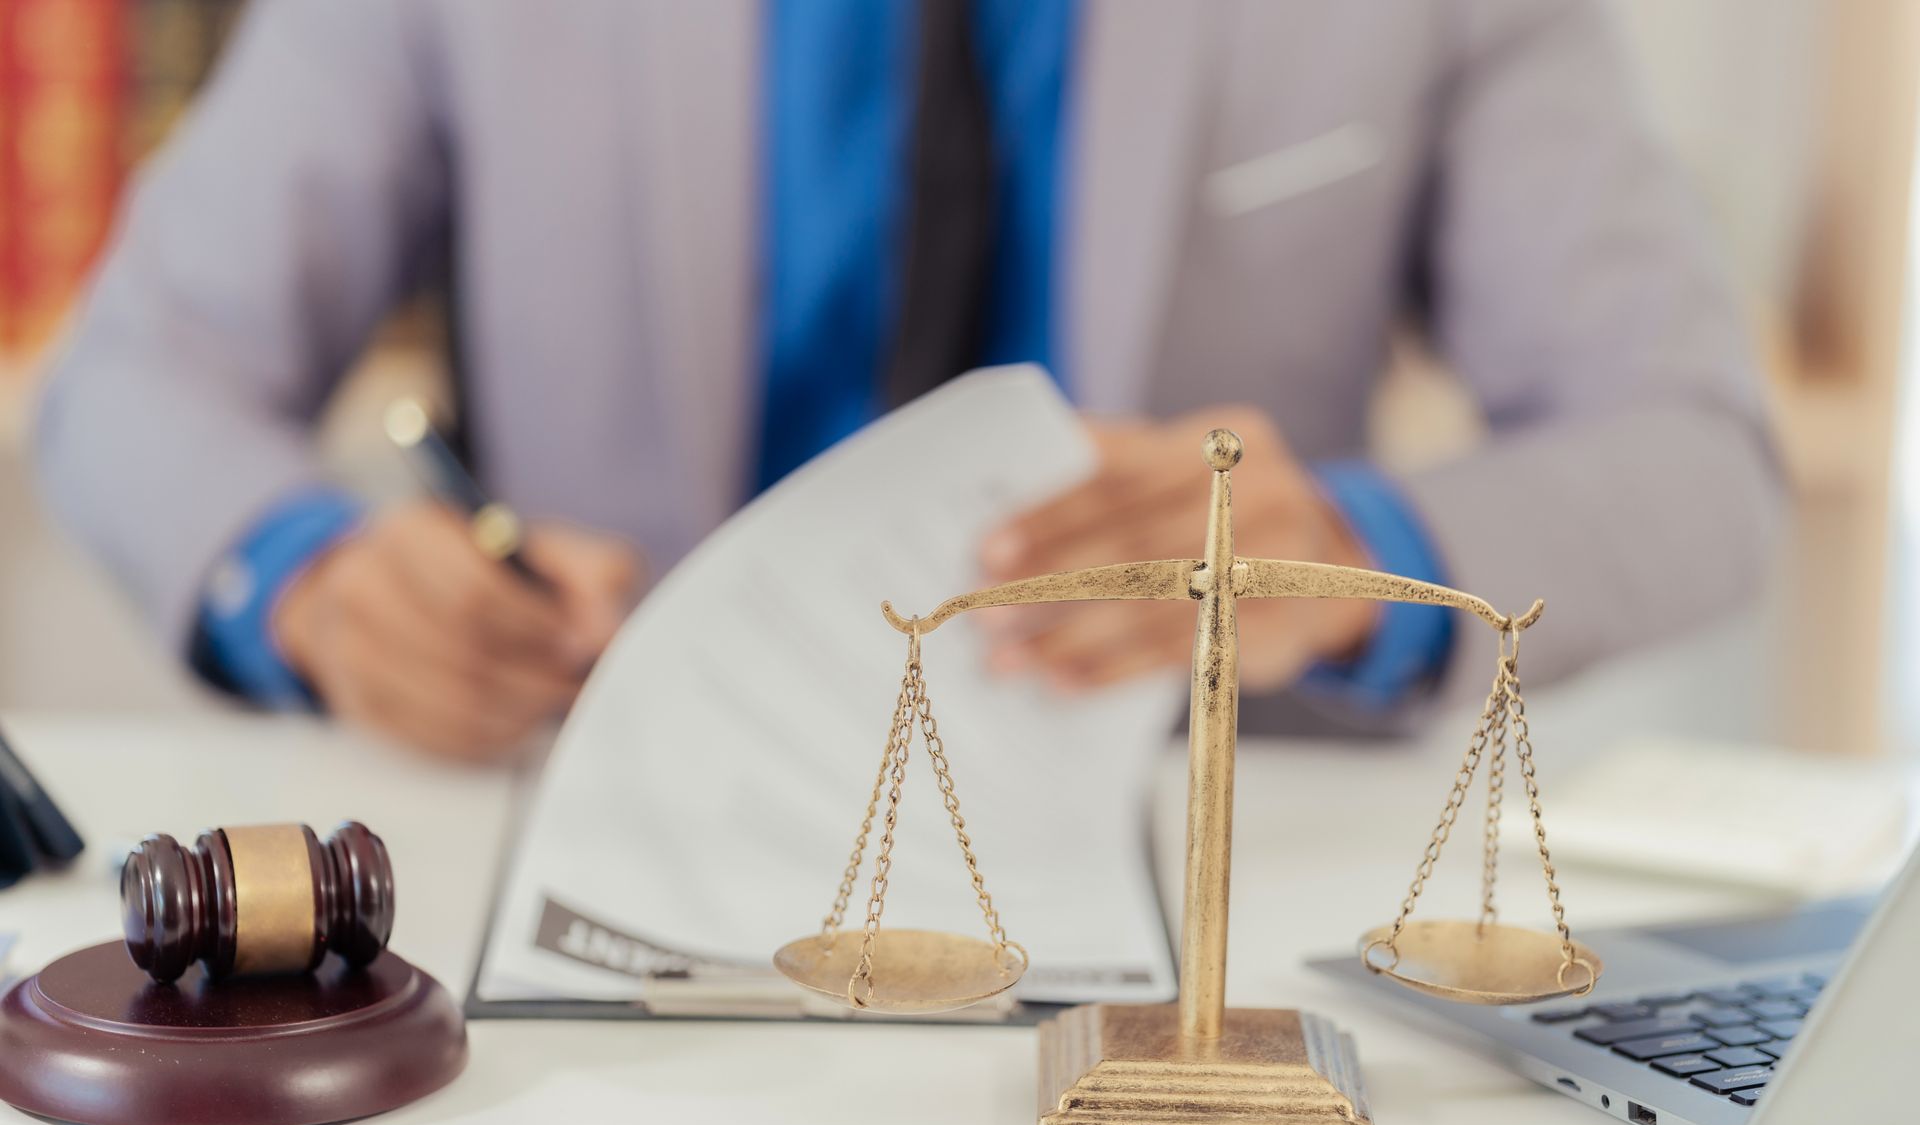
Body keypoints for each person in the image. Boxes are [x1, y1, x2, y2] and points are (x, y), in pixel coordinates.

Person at [36, 0, 1779, 761]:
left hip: (1215, 852)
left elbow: (1695, 456)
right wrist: (317, 582)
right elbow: (132, 376)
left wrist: (1347, 547)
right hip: (610, 848)